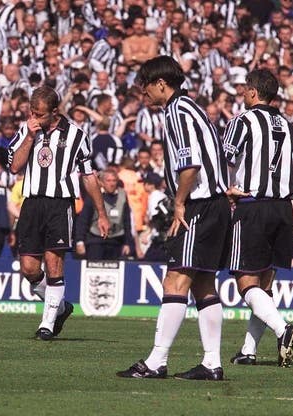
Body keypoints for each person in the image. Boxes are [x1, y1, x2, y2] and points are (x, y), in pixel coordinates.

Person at [117, 56, 231, 381]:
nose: (144, 94)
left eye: (146, 87)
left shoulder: (177, 112)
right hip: (216, 204)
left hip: (200, 204)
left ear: (161, 84)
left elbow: (190, 164)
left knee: (175, 280)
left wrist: (179, 203)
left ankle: (156, 361)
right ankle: (212, 363)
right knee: (204, 283)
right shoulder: (192, 108)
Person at [7, 86, 109, 341]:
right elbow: (14, 166)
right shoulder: (26, 129)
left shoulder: (76, 135)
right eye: (32, 112)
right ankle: (61, 308)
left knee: (54, 265)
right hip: (31, 204)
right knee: (29, 269)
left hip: (60, 204)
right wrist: (30, 138)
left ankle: (47, 324)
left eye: (39, 114)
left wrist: (102, 213)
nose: (34, 117)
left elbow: (88, 176)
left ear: (54, 112)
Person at [223, 69, 293, 368]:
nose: (243, 93)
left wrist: (228, 189)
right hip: (283, 211)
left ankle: (282, 329)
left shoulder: (243, 120)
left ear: (253, 92)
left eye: (245, 88)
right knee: (264, 284)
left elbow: (226, 158)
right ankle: (248, 350)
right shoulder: (291, 127)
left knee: (246, 282)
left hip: (253, 206)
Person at [75, 169, 135, 260]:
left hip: (116, 241)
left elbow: (127, 221)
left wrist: (128, 243)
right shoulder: (94, 195)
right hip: (96, 240)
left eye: (114, 180)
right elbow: (84, 220)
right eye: (108, 180)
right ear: (102, 182)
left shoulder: (123, 195)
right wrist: (79, 241)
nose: (112, 184)